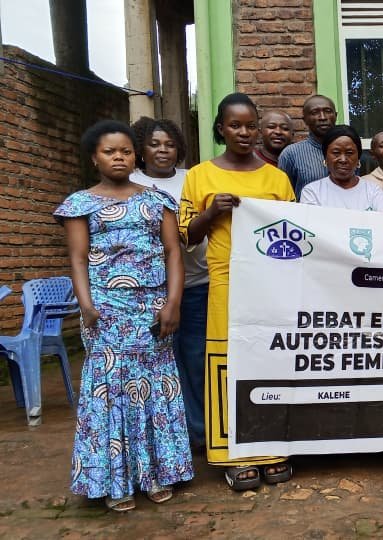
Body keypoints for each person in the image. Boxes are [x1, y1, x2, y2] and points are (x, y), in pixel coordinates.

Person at [55, 120, 193, 512]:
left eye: (126, 151)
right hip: (106, 311)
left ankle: (157, 474)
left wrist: (173, 302)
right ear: (94, 158)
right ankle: (116, 481)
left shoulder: (157, 199)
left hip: (152, 308)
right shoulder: (80, 204)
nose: (119, 157)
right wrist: (86, 306)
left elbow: (172, 254)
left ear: (136, 155)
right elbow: (78, 258)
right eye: (109, 152)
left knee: (153, 387)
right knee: (111, 390)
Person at [179, 93, 296, 490]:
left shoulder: (276, 177)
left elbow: (297, 232)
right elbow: (186, 235)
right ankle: (233, 454)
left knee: (269, 360)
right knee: (226, 364)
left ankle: (274, 449)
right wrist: (212, 212)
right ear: (221, 128)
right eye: (235, 125)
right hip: (225, 283)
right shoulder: (199, 175)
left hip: (271, 285)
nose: (244, 133)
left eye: (250, 125)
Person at [130, 117, 208, 451]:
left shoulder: (193, 178)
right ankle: (167, 437)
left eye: (169, 144)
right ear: (141, 150)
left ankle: (202, 433)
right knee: (161, 363)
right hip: (150, 291)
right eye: (155, 144)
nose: (163, 150)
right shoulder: (130, 182)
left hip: (197, 283)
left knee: (197, 360)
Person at [300, 125, 383, 212]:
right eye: (336, 153)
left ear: (358, 158)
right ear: (325, 158)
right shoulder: (312, 192)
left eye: (349, 153)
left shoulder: (373, 191)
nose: (343, 160)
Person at [278, 94, 337, 198]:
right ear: (305, 119)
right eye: (315, 112)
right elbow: (284, 197)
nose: (322, 117)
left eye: (327, 111)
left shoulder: (349, 152)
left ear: (335, 115)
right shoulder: (291, 154)